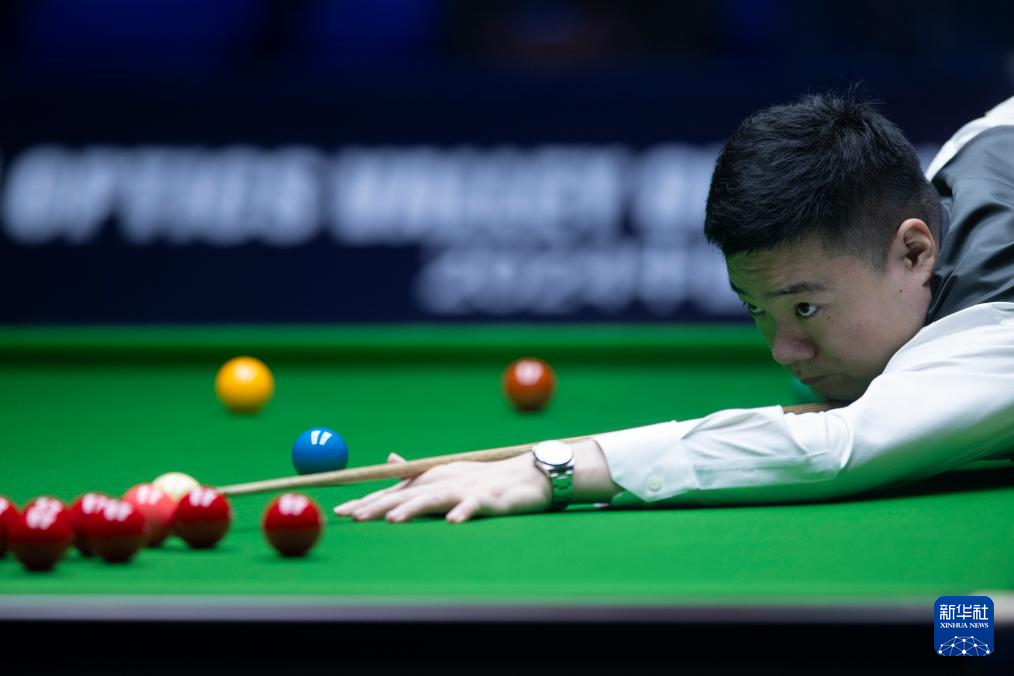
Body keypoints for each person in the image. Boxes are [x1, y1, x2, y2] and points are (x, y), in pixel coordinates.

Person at [334, 92, 1014, 524]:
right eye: (756, 310)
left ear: (915, 251)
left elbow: (838, 448)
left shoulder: (996, 330)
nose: (783, 352)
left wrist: (550, 469)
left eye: (805, 308)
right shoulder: (979, 150)